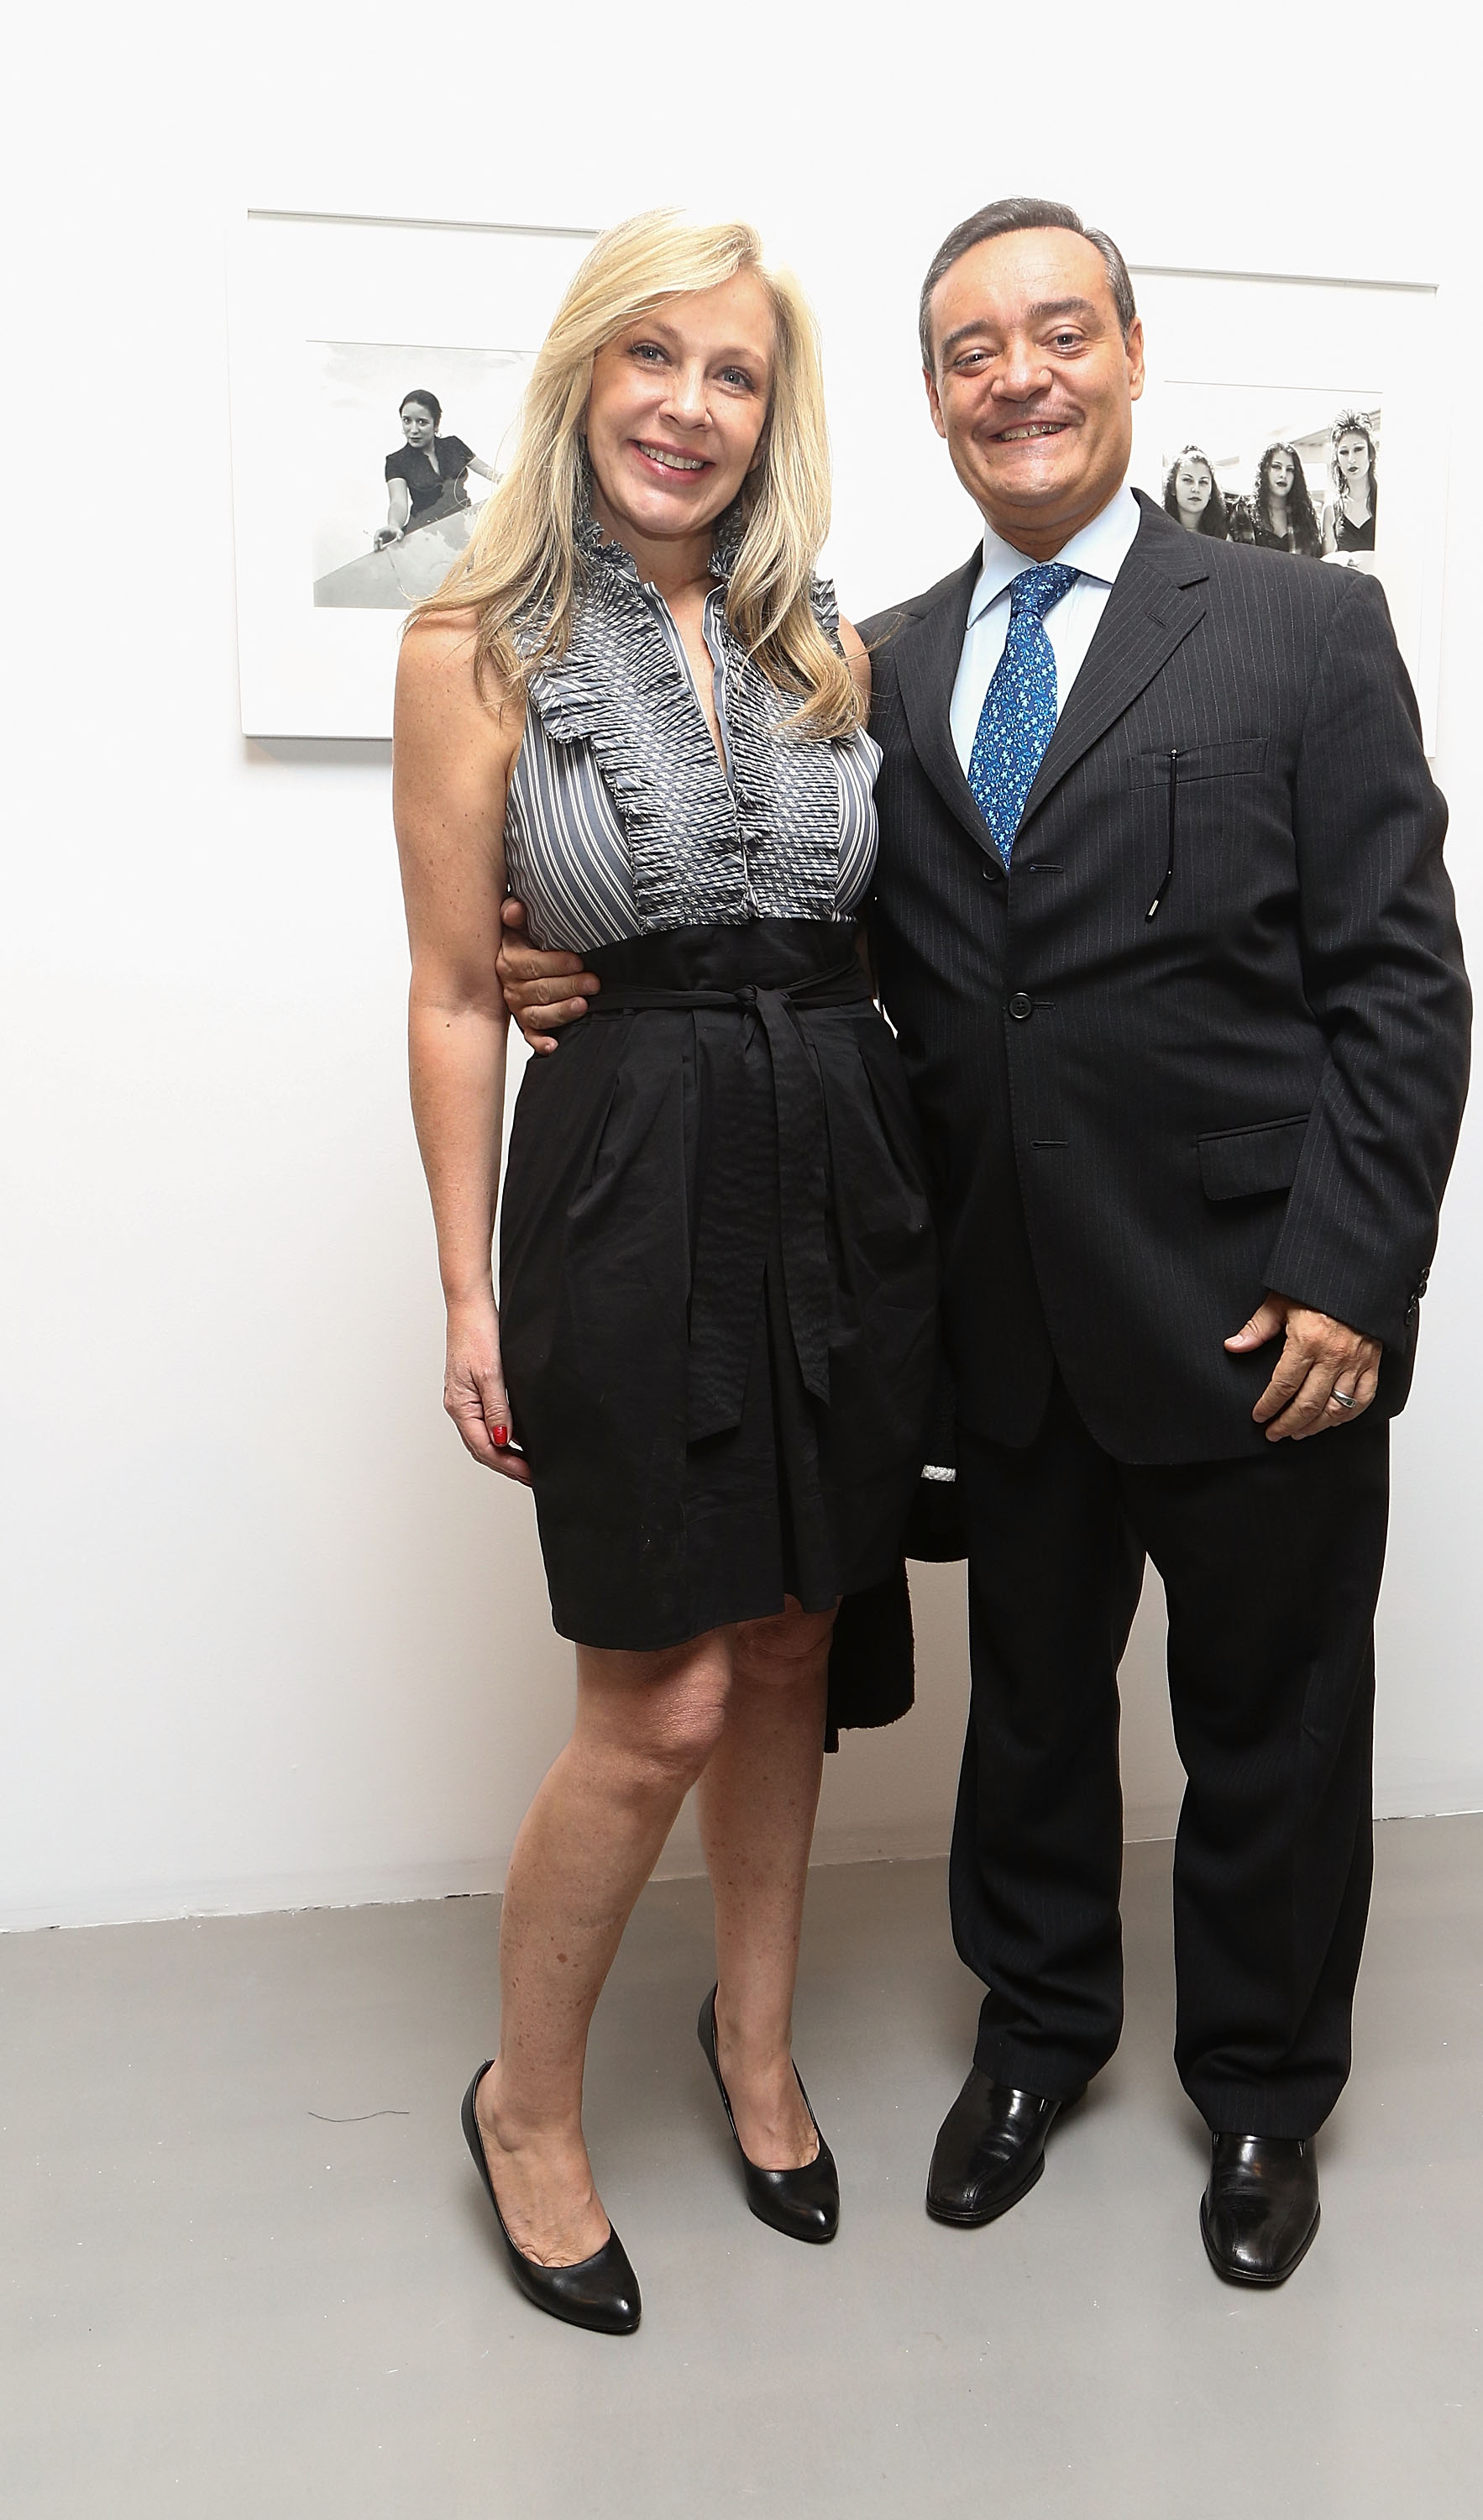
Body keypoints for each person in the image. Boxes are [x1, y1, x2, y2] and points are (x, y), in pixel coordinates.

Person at [497, 196, 1471, 2289]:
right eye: (966, 348)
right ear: (929, 396)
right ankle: (1031, 2043)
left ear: (1128, 352)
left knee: (1269, 1729)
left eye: (1054, 334)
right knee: (1024, 1720)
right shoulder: (873, 662)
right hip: (986, 1324)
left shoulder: (1300, 633)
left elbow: (1398, 985)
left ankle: (1258, 2097)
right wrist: (531, 949)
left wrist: (1348, 1269)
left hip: (1252, 1318)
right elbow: (788, 927)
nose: (1014, 375)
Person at [395, 209, 937, 2335]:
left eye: (732, 376)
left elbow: (873, 938)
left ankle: (755, 2045)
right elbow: (455, 992)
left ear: (767, 418)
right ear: (581, 374)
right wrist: (461, 1288)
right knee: (660, 1692)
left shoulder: (826, 647)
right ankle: (526, 2103)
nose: (688, 408)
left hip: (838, 1163)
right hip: (624, 1177)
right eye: (654, 359)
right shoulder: (474, 644)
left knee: (793, 1640)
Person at [376, 390, 498, 546]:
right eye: (407, 421)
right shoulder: (396, 461)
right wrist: (393, 525)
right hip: (426, 537)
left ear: (436, 424)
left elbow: (490, 473)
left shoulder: (454, 445)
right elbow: (398, 502)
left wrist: (521, 481)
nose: (413, 430)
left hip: (465, 526)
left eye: (422, 422)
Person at [1229, 439, 1323, 557]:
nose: (1283, 474)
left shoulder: (1304, 516)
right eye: (1277, 467)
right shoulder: (1243, 512)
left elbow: (1315, 564)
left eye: (1290, 470)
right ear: (1265, 471)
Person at [1321, 408, 1378, 554]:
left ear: (1371, 454)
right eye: (1344, 452)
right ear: (1338, 461)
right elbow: (1328, 566)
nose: (1351, 459)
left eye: (1358, 449)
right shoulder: (1330, 511)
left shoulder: (1388, 504)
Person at [1161, 445, 1231, 537]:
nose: (1196, 489)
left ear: (1211, 492)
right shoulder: (1159, 531)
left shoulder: (1224, 537)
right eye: (1188, 480)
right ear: (1173, 488)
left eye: (1203, 482)